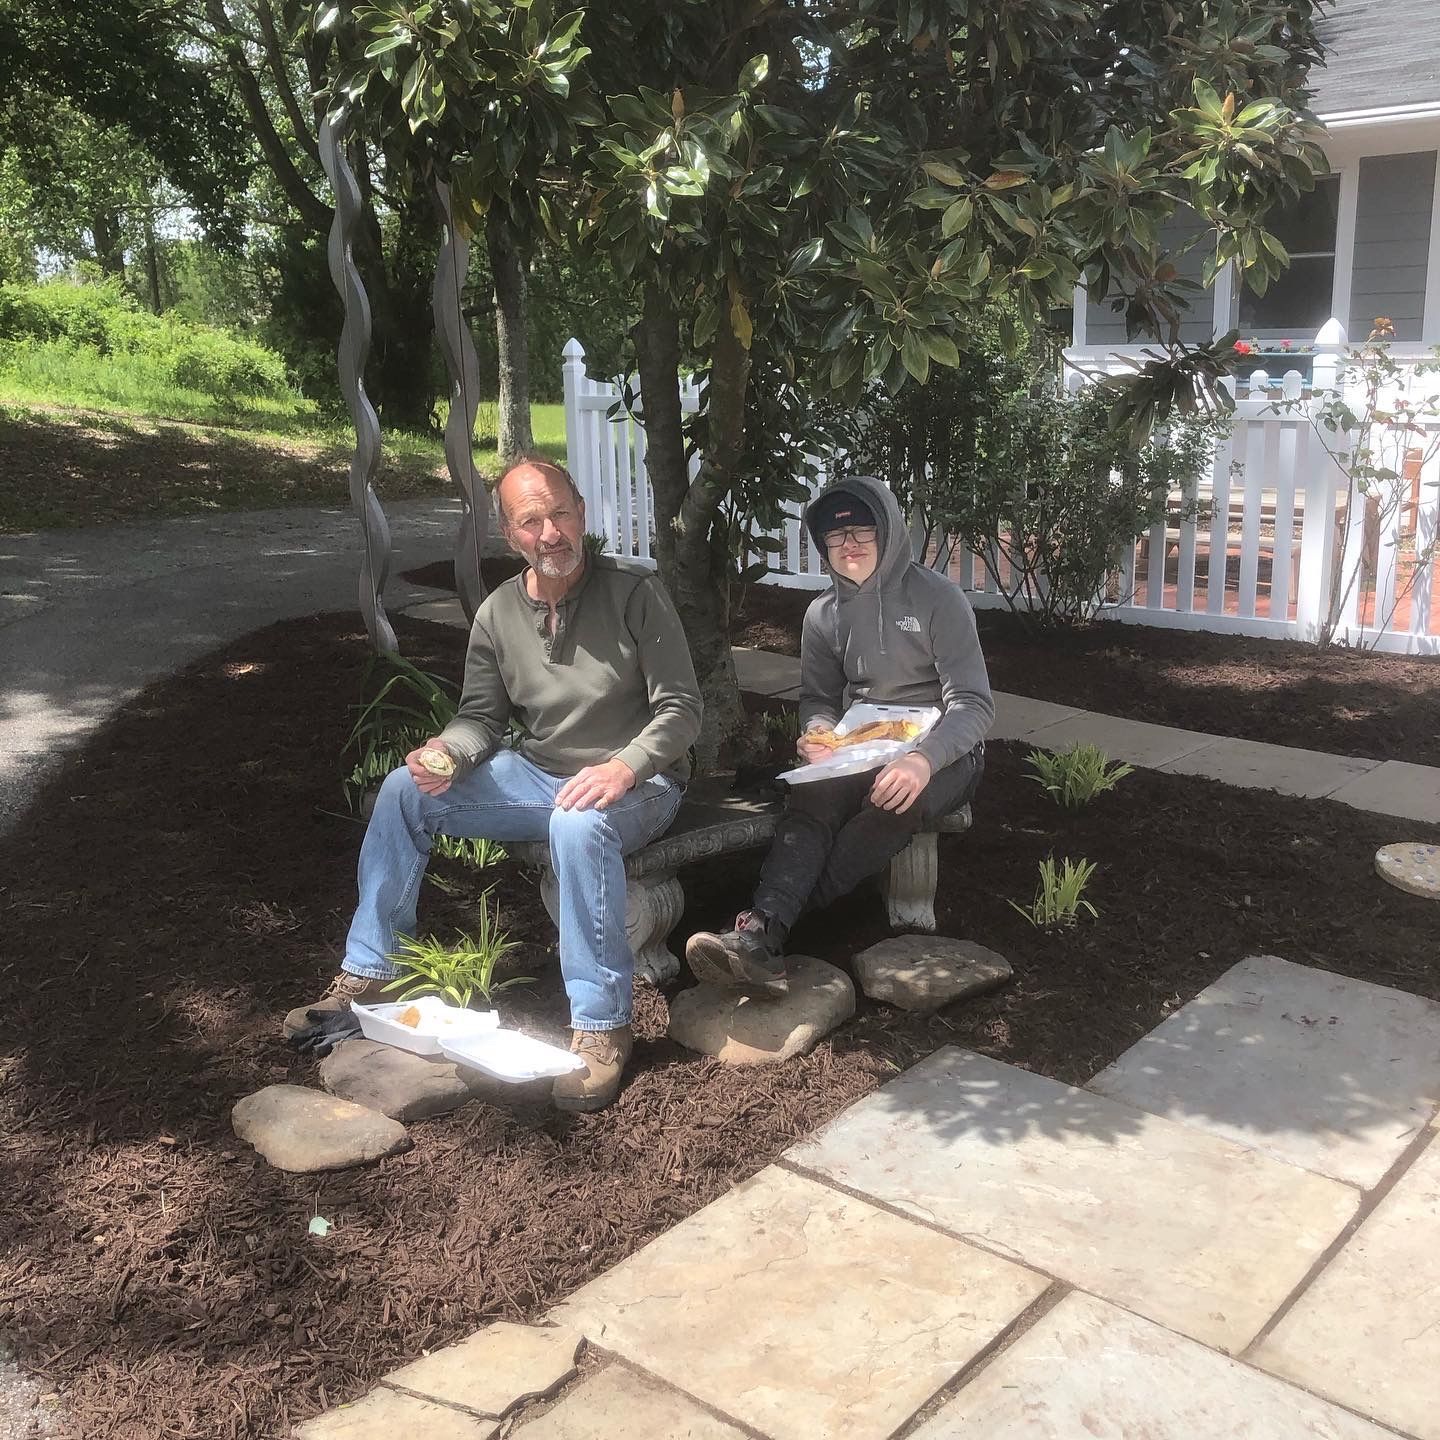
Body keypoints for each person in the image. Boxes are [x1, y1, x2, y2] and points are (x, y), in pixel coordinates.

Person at [286, 457, 702, 1111]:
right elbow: (480, 717)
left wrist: (625, 765)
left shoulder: (634, 592)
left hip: (640, 783)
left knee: (577, 822)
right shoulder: (498, 612)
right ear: (509, 534)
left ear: (581, 513)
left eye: (560, 513)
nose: (550, 533)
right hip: (541, 775)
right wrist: (448, 754)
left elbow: (680, 708)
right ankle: (370, 970)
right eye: (531, 521)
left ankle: (602, 1026)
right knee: (403, 792)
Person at [686, 475, 992, 997]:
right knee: (810, 797)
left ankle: (769, 926)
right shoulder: (823, 615)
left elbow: (974, 704)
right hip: (864, 743)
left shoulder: (938, 599)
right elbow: (819, 698)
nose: (848, 544)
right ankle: (762, 935)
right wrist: (818, 730)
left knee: (892, 802)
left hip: (947, 752)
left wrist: (922, 760)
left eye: (861, 531)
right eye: (835, 535)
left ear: (888, 531)